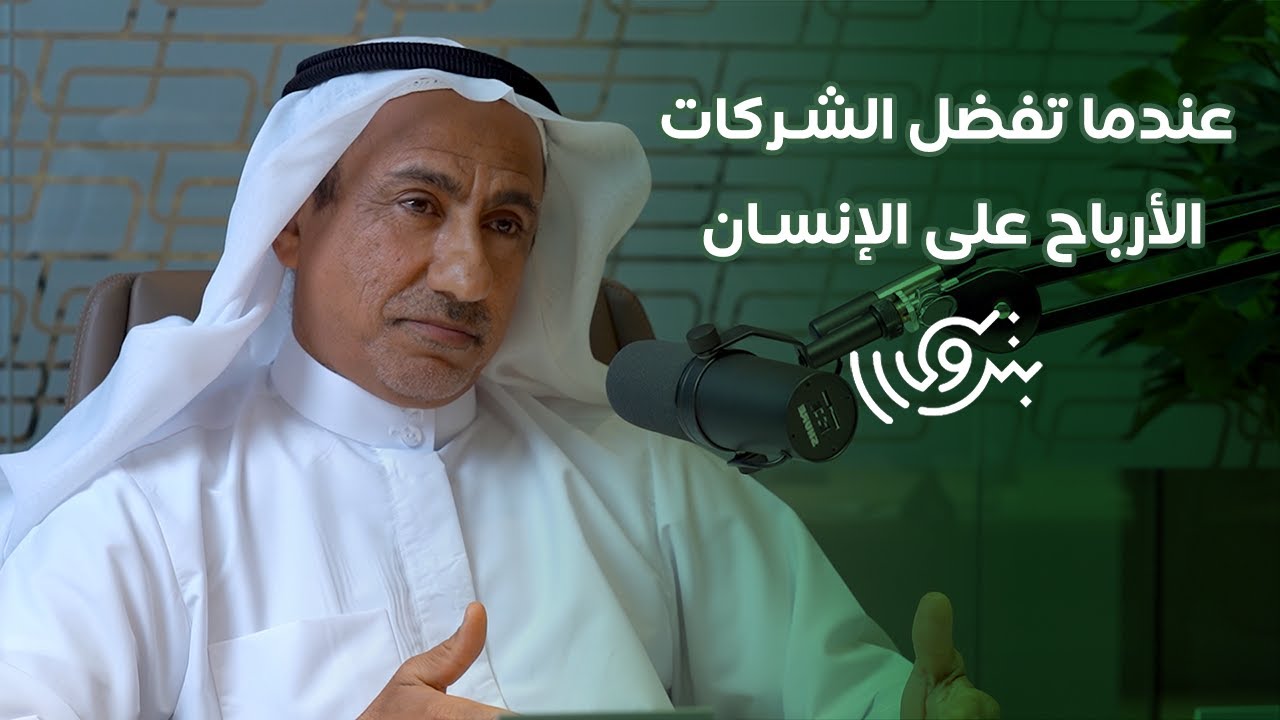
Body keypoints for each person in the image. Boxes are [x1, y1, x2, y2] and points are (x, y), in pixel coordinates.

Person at [0, 38, 998, 719]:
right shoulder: (142, 513)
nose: (469, 277)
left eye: (506, 223)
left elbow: (844, 693)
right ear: (294, 222)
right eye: (419, 205)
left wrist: (908, 708)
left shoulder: (647, 481)